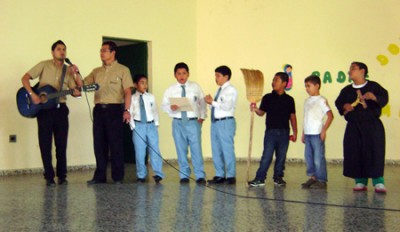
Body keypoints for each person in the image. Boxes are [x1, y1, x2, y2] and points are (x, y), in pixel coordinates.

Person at [21, 40, 82, 186]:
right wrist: (32, 95)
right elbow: (25, 78)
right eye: (59, 49)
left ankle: (62, 175)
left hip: (61, 109)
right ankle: (49, 176)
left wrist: (77, 73)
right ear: (53, 52)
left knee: (61, 144)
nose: (62, 51)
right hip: (44, 111)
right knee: (45, 144)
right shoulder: (43, 65)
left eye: (64, 49)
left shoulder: (68, 70)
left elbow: (78, 91)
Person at [84, 41, 134, 185]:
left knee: (115, 144)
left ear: (113, 53)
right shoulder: (96, 71)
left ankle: (118, 177)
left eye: (105, 50)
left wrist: (126, 110)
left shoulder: (123, 70)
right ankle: (100, 176)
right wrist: (75, 74)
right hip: (99, 110)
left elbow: (127, 92)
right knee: (99, 144)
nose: (102, 53)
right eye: (100, 51)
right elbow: (84, 85)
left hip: (115, 109)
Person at [335, 62, 388, 193]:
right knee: (355, 152)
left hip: (372, 126)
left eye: (353, 68)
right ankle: (360, 181)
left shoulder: (373, 86)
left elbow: (384, 97)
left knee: (374, 152)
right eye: (349, 69)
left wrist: (373, 97)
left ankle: (378, 182)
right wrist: (344, 107)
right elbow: (339, 103)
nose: (349, 71)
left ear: (362, 71)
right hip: (354, 127)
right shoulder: (347, 90)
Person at [248, 72, 297, 187]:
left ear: (284, 83)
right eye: (273, 80)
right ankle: (260, 178)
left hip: (284, 132)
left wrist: (295, 132)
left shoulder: (289, 100)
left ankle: (278, 177)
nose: (273, 82)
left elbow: (292, 117)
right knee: (266, 156)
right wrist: (255, 109)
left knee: (281, 157)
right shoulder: (267, 97)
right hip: (270, 132)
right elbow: (261, 112)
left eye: (276, 80)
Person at [161, 62, 207, 184]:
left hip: (193, 122)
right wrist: (171, 107)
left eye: (184, 73)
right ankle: (184, 175)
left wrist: (202, 117)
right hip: (178, 123)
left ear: (188, 74)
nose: (182, 76)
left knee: (196, 149)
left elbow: (202, 103)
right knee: (181, 149)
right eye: (179, 73)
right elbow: (163, 105)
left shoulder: (195, 87)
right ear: (175, 75)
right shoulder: (170, 89)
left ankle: (200, 175)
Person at [205, 66, 238, 185]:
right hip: (215, 122)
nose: (216, 78)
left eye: (218, 76)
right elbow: (217, 106)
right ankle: (219, 174)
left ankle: (230, 175)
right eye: (215, 76)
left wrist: (212, 102)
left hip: (225, 122)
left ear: (226, 77)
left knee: (227, 149)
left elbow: (227, 106)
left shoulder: (230, 90)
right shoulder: (219, 90)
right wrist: (210, 102)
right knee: (216, 149)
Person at [129, 74, 164, 183]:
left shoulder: (151, 97)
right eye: (142, 83)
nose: (145, 85)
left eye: (146, 83)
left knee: (154, 149)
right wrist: (133, 126)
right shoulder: (132, 98)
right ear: (135, 85)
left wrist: (156, 123)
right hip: (138, 126)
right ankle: (141, 175)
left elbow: (155, 111)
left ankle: (158, 173)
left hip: (151, 125)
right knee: (140, 152)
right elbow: (129, 112)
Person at [301, 75, 334, 189]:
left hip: (317, 133)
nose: (307, 88)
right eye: (305, 86)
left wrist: (323, 130)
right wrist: (303, 133)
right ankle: (313, 177)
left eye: (309, 86)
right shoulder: (307, 101)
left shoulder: (321, 100)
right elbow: (306, 118)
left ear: (317, 86)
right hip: (308, 133)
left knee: (318, 158)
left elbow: (330, 116)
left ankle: (321, 179)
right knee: (308, 157)